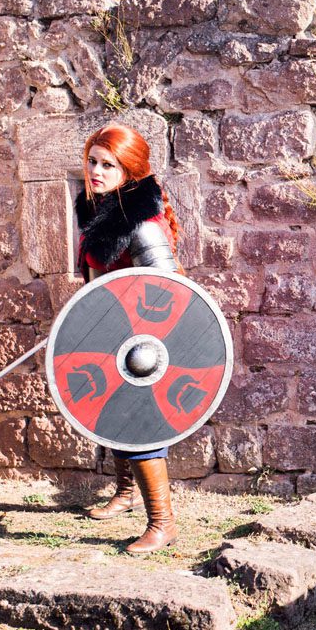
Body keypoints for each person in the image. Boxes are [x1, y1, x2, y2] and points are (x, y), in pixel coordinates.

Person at [75, 123, 182, 554]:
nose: (96, 171)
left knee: (139, 424)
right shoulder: (101, 210)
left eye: (108, 165)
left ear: (130, 172)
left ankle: (163, 523)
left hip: (144, 341)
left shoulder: (141, 224)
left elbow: (167, 295)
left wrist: (135, 338)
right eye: (93, 161)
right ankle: (127, 493)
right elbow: (98, 281)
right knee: (112, 414)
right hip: (111, 332)